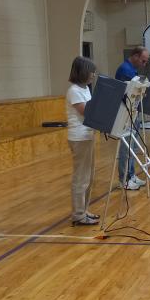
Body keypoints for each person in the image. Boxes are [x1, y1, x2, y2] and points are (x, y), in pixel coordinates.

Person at [66, 56, 99, 225]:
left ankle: (85, 210)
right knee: (81, 177)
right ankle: (78, 215)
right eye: (91, 72)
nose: (93, 75)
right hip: (79, 138)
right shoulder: (74, 91)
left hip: (88, 135)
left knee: (90, 176)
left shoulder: (85, 89)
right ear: (84, 72)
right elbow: (87, 112)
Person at [114, 46, 150, 190]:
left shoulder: (132, 69)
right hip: (126, 114)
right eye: (143, 61)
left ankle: (131, 174)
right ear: (135, 56)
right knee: (126, 147)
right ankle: (124, 178)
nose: (144, 64)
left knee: (133, 147)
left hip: (133, 112)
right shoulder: (125, 70)